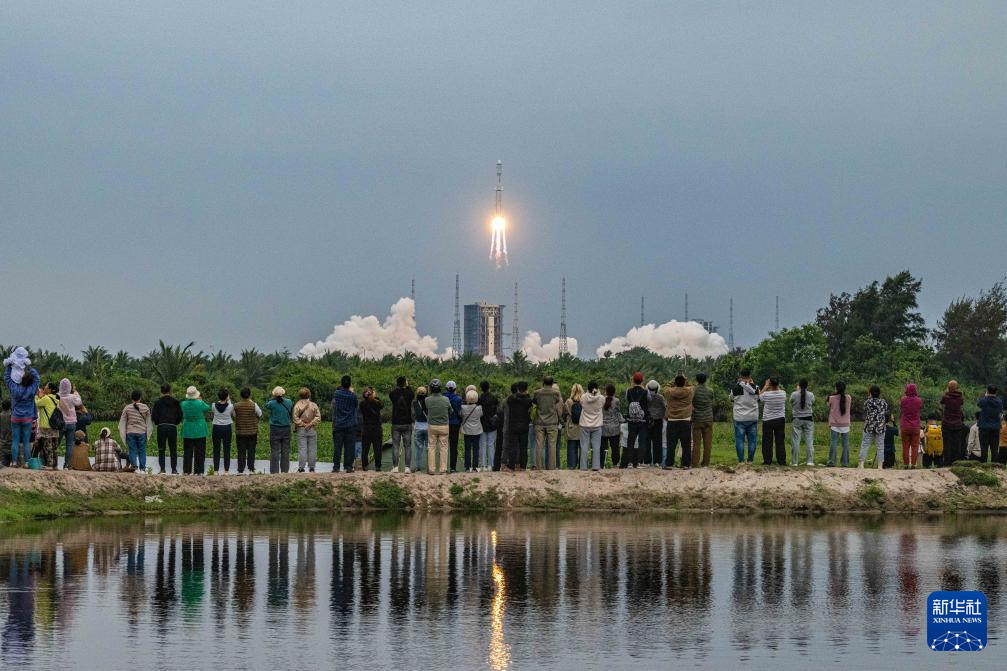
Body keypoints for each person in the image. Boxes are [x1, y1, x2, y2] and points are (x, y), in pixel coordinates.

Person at [5, 361, 40, 470]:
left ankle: (14, 462)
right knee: (26, 441)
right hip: (27, 418)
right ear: (31, 381)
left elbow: (7, 378)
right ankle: (26, 463)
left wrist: (9, 366)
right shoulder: (32, 389)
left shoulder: (15, 389)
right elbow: (37, 378)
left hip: (15, 417)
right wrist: (28, 366)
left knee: (15, 440)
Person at [532, 376, 563, 470]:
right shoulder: (556, 393)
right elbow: (558, 402)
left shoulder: (537, 393)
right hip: (552, 423)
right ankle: (552, 468)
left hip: (539, 422)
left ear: (543, 382)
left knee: (539, 446)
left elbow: (534, 402)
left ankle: (539, 467)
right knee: (552, 446)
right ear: (552, 383)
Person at [664, 375, 694, 469]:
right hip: (685, 419)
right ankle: (686, 464)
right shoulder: (689, 391)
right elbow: (692, 385)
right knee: (686, 444)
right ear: (684, 382)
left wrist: (672, 381)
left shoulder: (669, 392)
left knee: (671, 444)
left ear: (675, 382)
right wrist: (686, 380)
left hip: (672, 420)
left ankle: (669, 464)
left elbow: (666, 387)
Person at [118, 390, 153, 472]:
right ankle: (143, 469)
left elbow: (122, 421)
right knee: (142, 450)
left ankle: (134, 467)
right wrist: (148, 433)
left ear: (131, 398)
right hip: (142, 432)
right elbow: (149, 422)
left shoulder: (127, 408)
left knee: (132, 450)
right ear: (140, 397)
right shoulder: (145, 407)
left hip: (130, 432)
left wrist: (123, 433)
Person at [152, 384, 183, 474]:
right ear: (170, 391)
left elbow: (154, 416)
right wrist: (175, 423)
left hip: (161, 427)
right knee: (173, 449)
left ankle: (162, 469)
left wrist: (158, 422)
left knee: (161, 449)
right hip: (172, 427)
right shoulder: (176, 402)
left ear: (161, 391)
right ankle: (174, 469)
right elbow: (180, 415)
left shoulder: (157, 402)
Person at [731, 369, 760, 464]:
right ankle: (750, 460)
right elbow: (759, 398)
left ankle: (741, 461)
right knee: (752, 440)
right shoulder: (756, 387)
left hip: (739, 418)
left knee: (739, 440)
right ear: (750, 375)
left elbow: (731, 398)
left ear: (740, 375)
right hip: (752, 417)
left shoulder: (735, 388)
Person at [332, 376, 358, 473]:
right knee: (350, 447)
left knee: (337, 447)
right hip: (350, 425)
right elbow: (356, 405)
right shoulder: (353, 396)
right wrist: (352, 391)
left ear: (341, 383)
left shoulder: (337, 394)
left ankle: (336, 467)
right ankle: (348, 467)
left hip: (339, 424)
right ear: (350, 384)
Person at [180, 386, 210, 475]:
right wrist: (200, 400)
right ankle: (199, 471)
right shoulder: (200, 403)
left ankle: (186, 471)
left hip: (187, 429)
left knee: (187, 451)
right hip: (200, 429)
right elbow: (208, 407)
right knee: (200, 451)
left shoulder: (183, 404)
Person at [232, 387, 262, 474]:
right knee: (251, 450)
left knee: (241, 451)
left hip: (240, 432)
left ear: (240, 395)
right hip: (252, 432)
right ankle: (251, 467)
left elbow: (234, 415)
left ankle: (240, 469)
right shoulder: (254, 405)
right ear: (249, 395)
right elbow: (260, 414)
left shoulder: (236, 405)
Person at [388, 376, 415, 474]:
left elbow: (392, 393)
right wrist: (407, 387)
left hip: (396, 423)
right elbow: (412, 393)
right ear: (405, 383)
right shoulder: (410, 393)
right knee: (408, 446)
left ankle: (395, 467)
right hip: (407, 422)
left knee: (395, 445)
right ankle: (407, 467)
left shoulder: (392, 394)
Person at [505, 381, 533, 472]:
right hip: (524, 426)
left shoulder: (511, 399)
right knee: (523, 447)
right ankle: (523, 466)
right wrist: (527, 395)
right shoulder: (528, 400)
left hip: (513, 426)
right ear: (526, 389)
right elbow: (530, 403)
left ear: (517, 389)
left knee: (513, 446)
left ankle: (511, 466)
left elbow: (509, 400)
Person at [623, 372, 649, 469]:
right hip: (642, 421)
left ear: (633, 380)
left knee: (631, 441)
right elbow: (648, 401)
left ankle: (630, 462)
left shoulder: (628, 391)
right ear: (642, 380)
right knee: (642, 441)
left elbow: (627, 400)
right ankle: (638, 462)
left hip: (631, 420)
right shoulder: (646, 392)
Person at [425, 379, 451, 474]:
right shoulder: (446, 399)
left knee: (431, 447)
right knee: (444, 447)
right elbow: (450, 411)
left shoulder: (427, 400)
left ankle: (431, 469)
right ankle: (443, 469)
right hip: (444, 426)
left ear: (431, 389)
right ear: (440, 388)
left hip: (432, 426)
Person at [759, 378, 786, 466]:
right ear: (778, 384)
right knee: (780, 441)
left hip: (768, 420)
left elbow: (759, 397)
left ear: (770, 384)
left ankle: (767, 461)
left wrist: (766, 386)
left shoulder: (766, 394)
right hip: (780, 419)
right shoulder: (783, 393)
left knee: (767, 441)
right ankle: (781, 461)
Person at [265, 387, 293, 474]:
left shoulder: (272, 403)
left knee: (274, 450)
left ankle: (274, 471)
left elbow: (266, 405)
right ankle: (285, 470)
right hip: (286, 428)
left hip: (275, 429)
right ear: (283, 394)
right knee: (285, 450)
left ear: (274, 394)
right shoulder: (289, 402)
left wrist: (271, 398)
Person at [859, 386, 888, 469]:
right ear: (879, 393)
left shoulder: (868, 402)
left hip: (869, 426)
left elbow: (864, 409)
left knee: (865, 444)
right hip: (880, 426)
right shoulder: (883, 402)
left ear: (870, 393)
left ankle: (861, 464)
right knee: (880, 446)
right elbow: (885, 409)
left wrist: (869, 398)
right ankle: (880, 466)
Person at [293, 387, 321, 473]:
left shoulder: (297, 405)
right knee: (312, 449)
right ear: (309, 394)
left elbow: (295, 418)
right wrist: (311, 424)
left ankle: (301, 468)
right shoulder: (313, 405)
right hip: (312, 429)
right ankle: (312, 467)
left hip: (301, 429)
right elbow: (318, 417)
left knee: (302, 449)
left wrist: (303, 424)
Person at [34, 382, 60, 469]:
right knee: (55, 447)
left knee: (48, 446)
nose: (44, 388)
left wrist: (37, 395)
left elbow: (36, 403)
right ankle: (55, 465)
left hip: (46, 426)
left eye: (46, 387)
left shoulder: (46, 398)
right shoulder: (56, 399)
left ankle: (49, 465)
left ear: (49, 389)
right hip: (55, 425)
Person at [579, 380, 605, 470]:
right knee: (596, 447)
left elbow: (582, 403)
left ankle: (583, 467)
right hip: (597, 425)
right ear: (597, 389)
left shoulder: (583, 397)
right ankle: (596, 466)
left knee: (584, 447)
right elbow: (602, 404)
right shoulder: (601, 398)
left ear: (588, 388)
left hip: (584, 424)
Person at [56, 379, 81, 468]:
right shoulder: (72, 397)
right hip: (71, 423)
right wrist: (75, 391)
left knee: (56, 444)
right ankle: (66, 465)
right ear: (70, 387)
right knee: (69, 444)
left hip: (61, 423)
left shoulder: (57, 396)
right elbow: (79, 402)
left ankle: (54, 464)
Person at [940, 380, 966, 465]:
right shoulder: (960, 398)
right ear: (957, 388)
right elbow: (962, 402)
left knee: (947, 444)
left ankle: (947, 462)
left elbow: (941, 402)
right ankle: (956, 462)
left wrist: (946, 392)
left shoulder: (946, 397)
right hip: (957, 424)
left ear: (948, 387)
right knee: (957, 444)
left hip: (947, 423)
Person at [691, 373, 714, 467]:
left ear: (696, 380)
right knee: (707, 443)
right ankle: (706, 462)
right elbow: (711, 400)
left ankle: (695, 462)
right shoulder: (710, 390)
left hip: (697, 419)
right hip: (708, 418)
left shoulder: (693, 390)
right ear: (705, 380)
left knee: (697, 443)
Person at [827, 381, 852, 467]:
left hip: (834, 424)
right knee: (845, 444)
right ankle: (845, 463)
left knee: (834, 443)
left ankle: (831, 462)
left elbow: (828, 406)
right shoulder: (848, 397)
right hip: (845, 424)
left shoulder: (831, 398)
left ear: (836, 388)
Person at [790, 378, 815, 466]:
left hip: (797, 419)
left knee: (796, 441)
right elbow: (812, 402)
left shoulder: (794, 394)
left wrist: (797, 391)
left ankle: (794, 462)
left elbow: (791, 402)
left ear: (799, 385)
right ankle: (810, 461)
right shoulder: (811, 394)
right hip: (808, 419)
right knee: (809, 440)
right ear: (807, 386)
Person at [209, 389, 234, 474]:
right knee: (227, 449)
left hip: (216, 427)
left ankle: (216, 471)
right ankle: (226, 471)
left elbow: (216, 407)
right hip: (227, 428)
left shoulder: (213, 405)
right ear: (227, 397)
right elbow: (232, 412)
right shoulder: (230, 406)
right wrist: (228, 399)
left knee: (216, 449)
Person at [358, 387, 384, 471]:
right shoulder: (377, 402)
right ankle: (378, 466)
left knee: (365, 448)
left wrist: (369, 396)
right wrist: (375, 397)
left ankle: (365, 466)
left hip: (366, 428)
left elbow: (364, 404)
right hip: (376, 428)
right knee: (377, 448)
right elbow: (381, 405)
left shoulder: (362, 404)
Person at [898, 383, 923, 468]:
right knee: (915, 446)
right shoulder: (919, 400)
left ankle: (905, 464)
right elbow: (919, 409)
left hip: (905, 425)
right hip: (915, 426)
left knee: (905, 446)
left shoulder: (903, 399)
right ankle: (913, 464)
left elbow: (901, 408)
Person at [976, 386, 1004, 463]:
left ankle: (984, 465)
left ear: (987, 391)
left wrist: (985, 396)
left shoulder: (984, 400)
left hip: (984, 427)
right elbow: (1001, 412)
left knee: (984, 448)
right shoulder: (999, 401)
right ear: (996, 392)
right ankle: (995, 466)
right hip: (995, 427)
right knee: (994, 448)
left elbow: (978, 404)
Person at [460, 390, 484, 472]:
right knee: (476, 449)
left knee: (467, 449)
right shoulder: (479, 408)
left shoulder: (463, 407)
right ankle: (475, 467)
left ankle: (467, 467)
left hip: (467, 430)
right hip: (477, 430)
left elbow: (461, 415)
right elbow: (481, 415)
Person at [477, 381, 498, 472]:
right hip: (492, 424)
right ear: (489, 387)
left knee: (482, 444)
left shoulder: (479, 398)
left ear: (481, 388)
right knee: (491, 445)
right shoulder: (493, 397)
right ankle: (491, 465)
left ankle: (483, 465)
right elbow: (497, 409)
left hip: (482, 424)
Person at [600, 384, 622, 470]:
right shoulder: (617, 400)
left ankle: (601, 465)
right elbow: (618, 413)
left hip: (603, 427)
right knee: (615, 448)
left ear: (606, 391)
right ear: (614, 392)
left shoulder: (602, 400)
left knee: (603, 448)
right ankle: (615, 464)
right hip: (614, 428)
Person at [646, 380, 667, 467]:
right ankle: (657, 461)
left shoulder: (646, 397)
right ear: (657, 388)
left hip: (648, 421)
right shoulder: (660, 397)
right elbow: (665, 407)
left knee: (648, 441)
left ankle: (648, 461)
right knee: (657, 441)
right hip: (658, 421)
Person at [444, 381, 463, 473]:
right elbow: (460, 412)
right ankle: (453, 468)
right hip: (455, 424)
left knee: (443, 446)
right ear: (455, 389)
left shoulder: (443, 397)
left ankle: (442, 467)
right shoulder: (458, 399)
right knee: (453, 446)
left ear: (446, 388)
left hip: (444, 423)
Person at [565, 384, 584, 469]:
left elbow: (564, 413)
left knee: (572, 448)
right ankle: (582, 466)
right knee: (582, 449)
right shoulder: (584, 401)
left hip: (571, 427)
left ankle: (571, 467)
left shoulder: (569, 401)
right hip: (582, 427)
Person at [412, 386, 429, 473]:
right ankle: (430, 466)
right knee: (429, 447)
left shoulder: (415, 402)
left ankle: (418, 466)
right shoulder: (428, 401)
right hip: (428, 426)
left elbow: (416, 414)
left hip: (418, 426)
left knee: (419, 448)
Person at [0, 400, 11, 467]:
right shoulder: (12, 415)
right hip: (12, 443)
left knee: (3, 465)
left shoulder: (0, 415)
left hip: (2, 443)